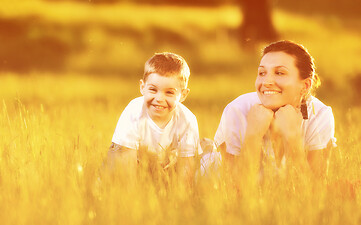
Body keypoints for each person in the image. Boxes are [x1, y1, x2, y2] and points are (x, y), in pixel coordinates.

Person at [214, 40, 336, 179]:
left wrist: (293, 137)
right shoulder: (237, 110)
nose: (266, 82)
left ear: (305, 85)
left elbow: (314, 192)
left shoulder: (319, 115)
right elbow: (232, 191)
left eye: (279, 73)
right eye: (262, 73)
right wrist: (253, 135)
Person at [107, 52, 201, 181]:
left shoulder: (187, 120)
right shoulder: (134, 112)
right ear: (142, 87)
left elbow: (186, 166)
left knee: (207, 155)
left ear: (183, 95)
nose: (159, 98)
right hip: (130, 164)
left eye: (169, 93)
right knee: (113, 169)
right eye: (153, 90)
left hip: (164, 168)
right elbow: (126, 164)